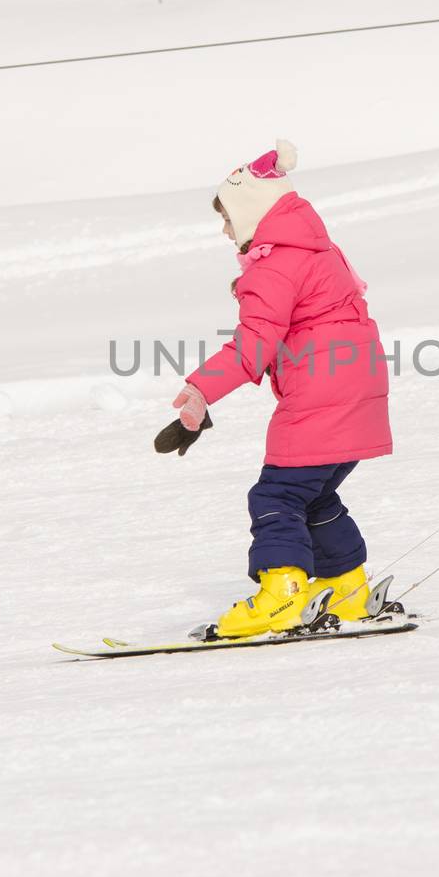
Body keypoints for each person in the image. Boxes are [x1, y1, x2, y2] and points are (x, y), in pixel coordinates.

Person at [160, 140, 391, 637]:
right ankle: (347, 589)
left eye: (227, 219)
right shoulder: (320, 249)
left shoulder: (275, 265)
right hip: (360, 391)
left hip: (319, 397)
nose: (225, 232)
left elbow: (253, 348)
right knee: (316, 495)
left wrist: (201, 392)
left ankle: (281, 594)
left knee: (276, 495)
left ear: (250, 212)